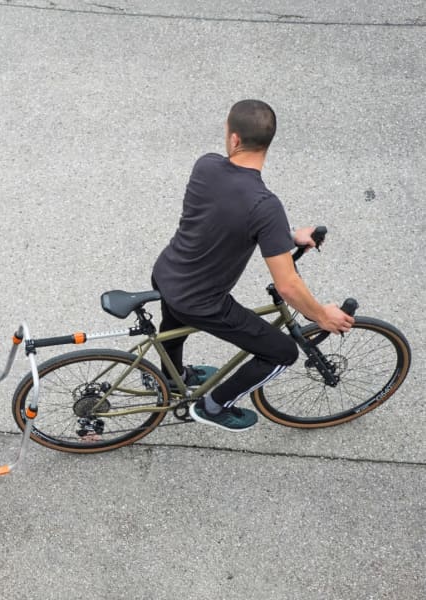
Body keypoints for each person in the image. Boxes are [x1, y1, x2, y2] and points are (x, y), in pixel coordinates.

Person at [151, 99, 354, 432]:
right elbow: (287, 285)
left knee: (172, 330)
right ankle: (213, 406)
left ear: (233, 140)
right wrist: (321, 315)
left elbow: (226, 216)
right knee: (282, 352)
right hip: (201, 301)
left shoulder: (206, 165)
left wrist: (287, 236)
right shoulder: (265, 206)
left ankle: (173, 380)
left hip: (167, 274)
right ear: (268, 144)